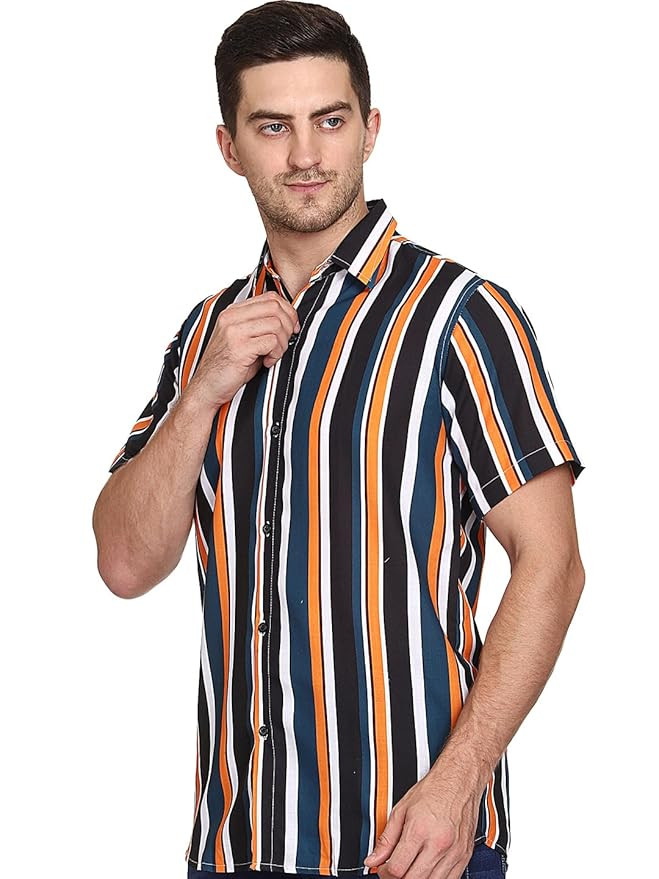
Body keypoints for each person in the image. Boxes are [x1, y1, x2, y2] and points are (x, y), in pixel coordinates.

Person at [92, 3, 586, 878]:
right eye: (271, 126)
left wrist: (459, 782)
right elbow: (125, 563)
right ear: (228, 147)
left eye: (329, 120)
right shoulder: (205, 334)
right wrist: (203, 391)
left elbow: (552, 563)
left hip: (411, 847)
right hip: (236, 848)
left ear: (370, 128)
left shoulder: (460, 316)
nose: (305, 155)